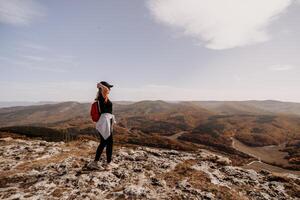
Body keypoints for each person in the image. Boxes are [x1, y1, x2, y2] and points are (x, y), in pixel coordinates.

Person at [89, 81, 116, 170]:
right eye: (108, 88)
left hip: (105, 122)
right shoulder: (102, 96)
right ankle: (107, 163)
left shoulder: (102, 97)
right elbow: (105, 89)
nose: (110, 89)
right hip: (105, 122)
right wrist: (100, 85)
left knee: (104, 142)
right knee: (108, 142)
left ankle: (97, 162)